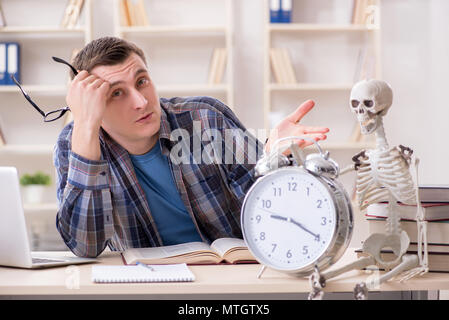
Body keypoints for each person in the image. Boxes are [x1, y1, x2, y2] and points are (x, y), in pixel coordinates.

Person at [54, 36, 329, 258]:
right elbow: (84, 246)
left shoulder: (205, 118)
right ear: (92, 104)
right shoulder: (75, 143)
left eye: (142, 81)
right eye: (116, 93)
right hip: (147, 286)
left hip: (238, 278)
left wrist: (271, 156)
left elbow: (273, 211)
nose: (140, 101)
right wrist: (86, 126)